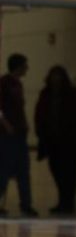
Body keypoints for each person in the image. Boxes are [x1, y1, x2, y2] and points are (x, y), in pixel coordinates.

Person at [34, 65, 76, 214]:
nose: (56, 79)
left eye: (59, 76)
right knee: (57, 171)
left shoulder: (72, 95)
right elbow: (39, 115)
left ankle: (67, 202)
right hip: (52, 141)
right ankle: (63, 201)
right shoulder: (45, 94)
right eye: (54, 76)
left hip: (70, 142)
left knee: (70, 174)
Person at [0, 53, 35, 217]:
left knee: (23, 169)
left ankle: (26, 204)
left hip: (19, 134)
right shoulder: (4, 83)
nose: (27, 69)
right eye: (25, 65)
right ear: (18, 66)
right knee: (4, 169)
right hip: (7, 135)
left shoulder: (18, 85)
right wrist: (6, 124)